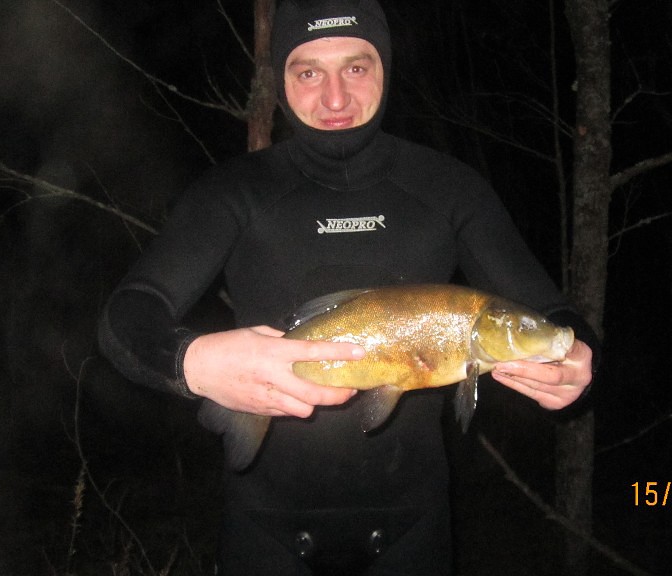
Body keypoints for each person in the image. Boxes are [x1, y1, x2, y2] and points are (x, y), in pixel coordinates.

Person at [97, 0, 597, 574]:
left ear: (385, 67)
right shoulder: (232, 191)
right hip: (264, 531)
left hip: (415, 528)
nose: (335, 98)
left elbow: (554, 315)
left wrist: (579, 364)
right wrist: (194, 362)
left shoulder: (452, 188)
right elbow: (125, 320)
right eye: (309, 72)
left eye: (356, 67)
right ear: (280, 79)